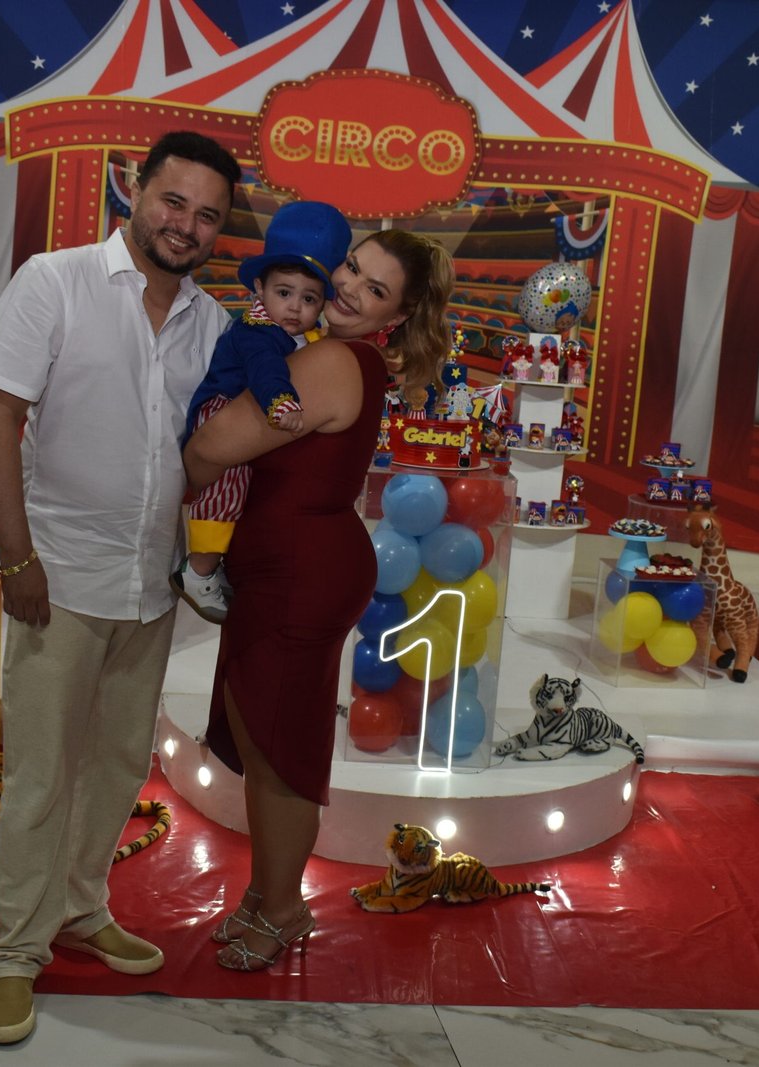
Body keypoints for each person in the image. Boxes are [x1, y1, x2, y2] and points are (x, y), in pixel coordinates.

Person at [0, 130, 241, 1046]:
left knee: (120, 764)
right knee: (41, 773)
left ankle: (81, 907)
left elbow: (207, 451)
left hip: (150, 586)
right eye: (174, 201)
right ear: (135, 188)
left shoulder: (213, 325)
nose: (186, 225)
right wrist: (16, 558)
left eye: (208, 215)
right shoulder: (56, 281)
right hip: (58, 577)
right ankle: (14, 952)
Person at [183, 229, 455, 972]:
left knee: (280, 756)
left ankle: (283, 908)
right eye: (352, 268)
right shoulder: (326, 350)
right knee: (266, 743)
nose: (350, 288)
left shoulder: (335, 359)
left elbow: (212, 447)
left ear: (396, 315)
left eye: (375, 289)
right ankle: (265, 893)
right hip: (285, 572)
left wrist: (165, 474)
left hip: (299, 579)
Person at [170, 200, 353, 624]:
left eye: (308, 298)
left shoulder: (304, 337)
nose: (294, 307)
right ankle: (198, 569)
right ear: (259, 288)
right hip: (225, 405)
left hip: (251, 405)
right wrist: (281, 403)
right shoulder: (258, 330)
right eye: (283, 293)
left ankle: (216, 561)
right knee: (229, 484)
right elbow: (266, 369)